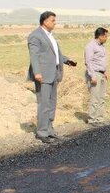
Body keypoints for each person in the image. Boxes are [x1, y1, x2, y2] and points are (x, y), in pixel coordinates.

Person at [27, 11, 77, 144]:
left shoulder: (50, 36)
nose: (55, 23)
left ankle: (50, 130)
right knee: (44, 104)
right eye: (53, 20)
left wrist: (67, 60)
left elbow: (55, 54)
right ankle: (42, 132)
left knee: (52, 104)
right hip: (43, 75)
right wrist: (37, 73)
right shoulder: (35, 36)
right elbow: (34, 56)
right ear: (45, 21)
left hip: (54, 73)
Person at [84, 27, 109, 125]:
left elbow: (102, 60)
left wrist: (105, 71)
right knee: (95, 97)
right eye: (105, 36)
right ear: (100, 36)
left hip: (102, 74)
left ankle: (99, 118)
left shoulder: (102, 46)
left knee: (101, 97)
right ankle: (92, 119)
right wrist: (92, 75)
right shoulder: (91, 46)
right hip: (95, 74)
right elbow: (88, 62)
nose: (107, 38)